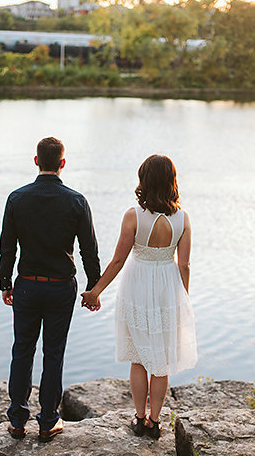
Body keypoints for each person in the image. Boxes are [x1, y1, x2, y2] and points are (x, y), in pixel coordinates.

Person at [81, 154, 197, 439]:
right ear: (172, 181)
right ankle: (155, 422)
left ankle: (140, 418)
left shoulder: (133, 215)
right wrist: (183, 299)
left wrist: (96, 291)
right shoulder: (183, 218)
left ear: (144, 180)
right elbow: (184, 264)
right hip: (168, 288)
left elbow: (118, 261)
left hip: (137, 286)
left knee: (139, 359)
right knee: (162, 360)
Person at [0, 137, 101, 442]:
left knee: (22, 351)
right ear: (62, 163)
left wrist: (5, 282)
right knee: (53, 354)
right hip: (60, 288)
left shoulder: (17, 198)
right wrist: (93, 287)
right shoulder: (76, 201)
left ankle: (17, 421)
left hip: (27, 286)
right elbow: (89, 251)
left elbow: (7, 248)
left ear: (36, 161)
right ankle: (47, 421)